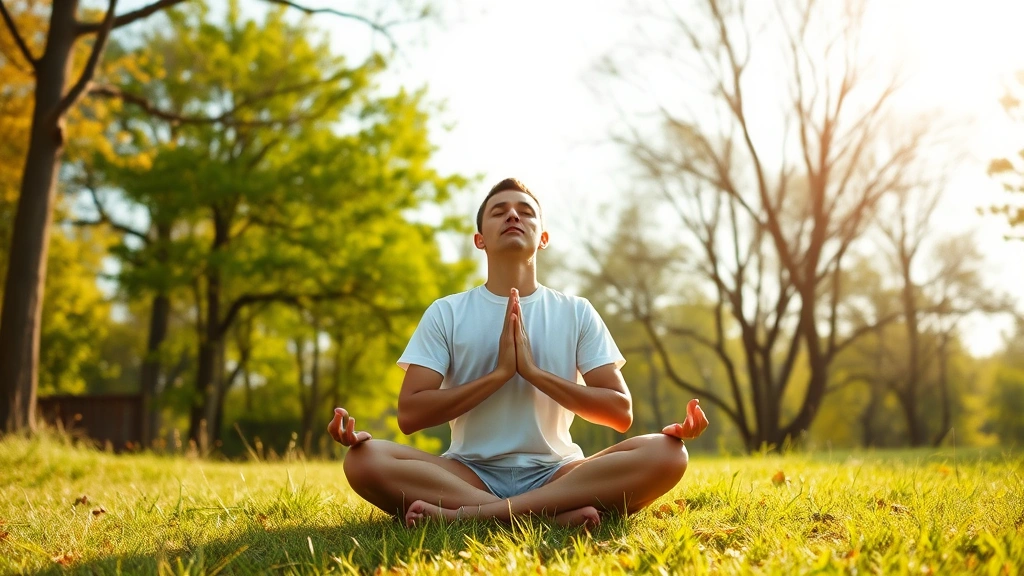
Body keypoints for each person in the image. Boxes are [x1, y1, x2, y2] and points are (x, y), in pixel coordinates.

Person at [327, 178, 709, 528]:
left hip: (558, 472)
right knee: (364, 459)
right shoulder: (447, 312)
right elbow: (410, 414)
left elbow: (619, 413)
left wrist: (533, 373)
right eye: (500, 210)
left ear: (542, 237)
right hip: (466, 472)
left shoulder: (576, 311)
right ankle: (547, 515)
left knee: (668, 453)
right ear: (480, 240)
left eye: (525, 211)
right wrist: (497, 376)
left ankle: (474, 516)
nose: (513, 214)